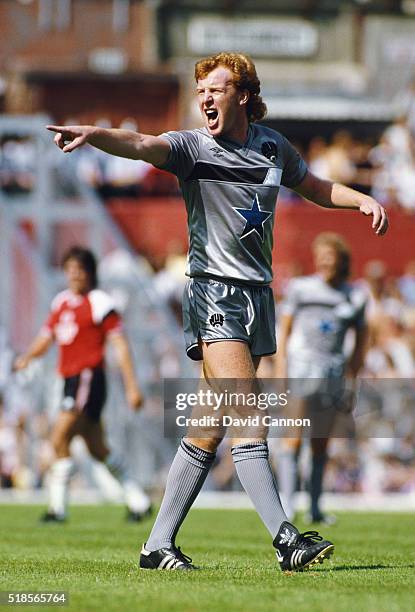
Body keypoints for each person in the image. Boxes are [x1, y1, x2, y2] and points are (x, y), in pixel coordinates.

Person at [46, 52, 388, 572]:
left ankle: (156, 545)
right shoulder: (191, 148)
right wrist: (95, 133)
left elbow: (314, 188)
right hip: (215, 294)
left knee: (209, 426)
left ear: (244, 96)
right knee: (248, 410)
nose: (204, 97)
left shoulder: (273, 147)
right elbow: (141, 144)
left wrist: (361, 200)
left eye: (217, 89)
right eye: (200, 89)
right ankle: (285, 538)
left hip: (257, 297)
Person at [14, 246, 152, 522]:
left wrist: (132, 387)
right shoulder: (61, 302)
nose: (74, 275)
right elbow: (47, 335)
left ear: (90, 273)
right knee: (97, 448)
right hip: (69, 380)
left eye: (80, 269)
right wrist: (28, 356)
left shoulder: (100, 302)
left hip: (88, 378)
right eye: (70, 270)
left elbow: (120, 345)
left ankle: (57, 509)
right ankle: (139, 501)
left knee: (59, 436)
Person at [275, 233, 368, 523]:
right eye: (322, 257)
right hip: (302, 368)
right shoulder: (301, 289)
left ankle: (314, 508)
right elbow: (285, 331)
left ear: (342, 261)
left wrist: (352, 381)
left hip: (332, 373)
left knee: (320, 442)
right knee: (293, 439)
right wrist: (281, 373)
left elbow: (361, 341)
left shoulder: (354, 296)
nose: (326, 263)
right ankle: (287, 507)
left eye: (331, 258)